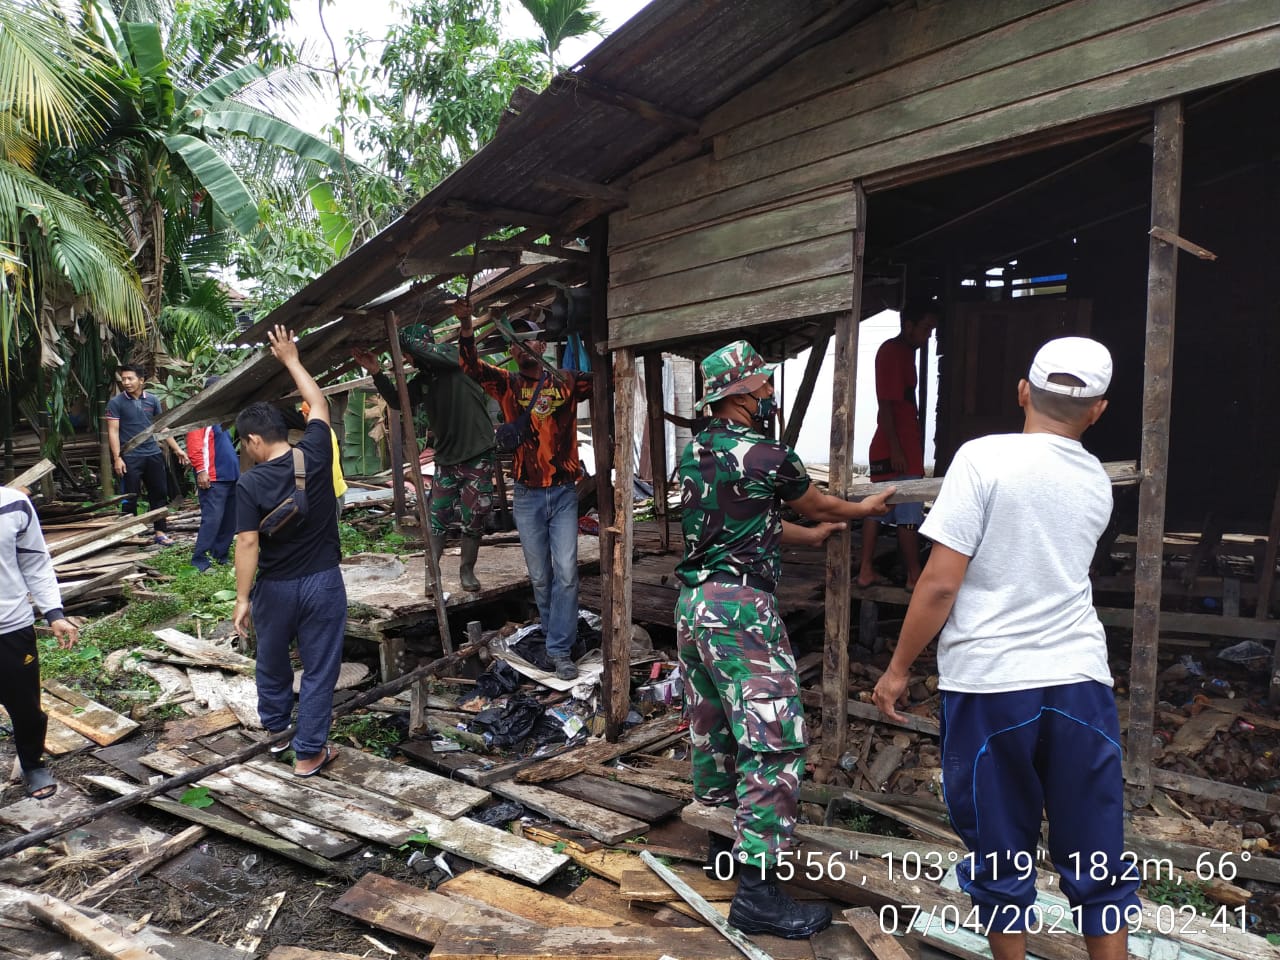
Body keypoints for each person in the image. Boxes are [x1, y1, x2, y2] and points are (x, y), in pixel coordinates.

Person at [871, 337, 1137, 960]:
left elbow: (939, 582)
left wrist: (897, 668)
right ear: (1098, 410)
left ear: (1023, 391)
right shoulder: (1096, 478)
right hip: (1079, 681)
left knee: (1001, 844)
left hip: (992, 684)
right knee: (1097, 852)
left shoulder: (983, 459)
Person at [676, 340, 894, 940]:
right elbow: (815, 497)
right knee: (773, 742)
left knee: (714, 726)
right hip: (741, 609)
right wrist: (858, 510)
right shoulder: (770, 456)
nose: (770, 391)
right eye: (763, 385)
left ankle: (721, 844)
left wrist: (810, 535)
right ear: (742, 393)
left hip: (695, 605)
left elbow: (745, 522)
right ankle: (758, 895)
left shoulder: (695, 452)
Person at [455, 300, 592, 680]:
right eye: (513, 343)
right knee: (541, 576)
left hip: (563, 491)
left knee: (565, 571)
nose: (519, 348)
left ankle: (559, 649)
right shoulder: (508, 384)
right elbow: (470, 365)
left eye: (526, 340)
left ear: (542, 345)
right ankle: (554, 637)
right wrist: (467, 324)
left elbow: (607, 380)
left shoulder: (565, 381)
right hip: (528, 495)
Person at [232, 326, 345, 777]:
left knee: (273, 662)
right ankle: (309, 752)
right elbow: (318, 405)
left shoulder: (249, 482)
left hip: (274, 589)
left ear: (255, 440)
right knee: (319, 668)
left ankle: (278, 733)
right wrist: (291, 359)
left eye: (244, 442)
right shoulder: (315, 452)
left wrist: (242, 599)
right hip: (323, 581)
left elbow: (247, 541)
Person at [352, 325, 495, 592]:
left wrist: (400, 337)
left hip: (477, 454)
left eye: (407, 353)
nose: (406, 358)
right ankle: (433, 575)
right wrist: (375, 371)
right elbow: (396, 400)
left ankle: (466, 571)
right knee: (436, 517)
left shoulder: (454, 358)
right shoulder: (424, 380)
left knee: (474, 516)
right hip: (447, 459)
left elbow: (427, 351)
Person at [0, 484, 79, 798]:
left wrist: (54, 612)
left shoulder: (14, 504)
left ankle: (32, 764)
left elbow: (34, 561)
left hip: (11, 625)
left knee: (25, 705)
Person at [857, 303, 937, 590]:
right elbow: (887, 405)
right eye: (926, 328)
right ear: (908, 326)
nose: (929, 335)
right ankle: (915, 576)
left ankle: (867, 570)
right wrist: (898, 449)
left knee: (877, 509)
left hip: (893, 446)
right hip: (897, 447)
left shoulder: (902, 353)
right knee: (907, 514)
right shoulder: (893, 352)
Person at [106, 363, 190, 545]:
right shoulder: (116, 403)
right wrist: (117, 458)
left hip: (153, 454)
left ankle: (160, 532)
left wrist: (177, 449)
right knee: (130, 496)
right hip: (130, 457)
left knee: (158, 493)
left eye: (130, 378)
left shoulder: (152, 401)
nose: (126, 382)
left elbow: (161, 427)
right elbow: (113, 431)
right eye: (124, 379)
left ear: (141, 380)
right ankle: (131, 533)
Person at [185, 379, 240, 572]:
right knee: (213, 519)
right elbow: (194, 445)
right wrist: (201, 470)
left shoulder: (220, 415)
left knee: (229, 520)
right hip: (214, 476)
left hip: (230, 475)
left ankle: (220, 556)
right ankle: (200, 561)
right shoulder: (201, 415)